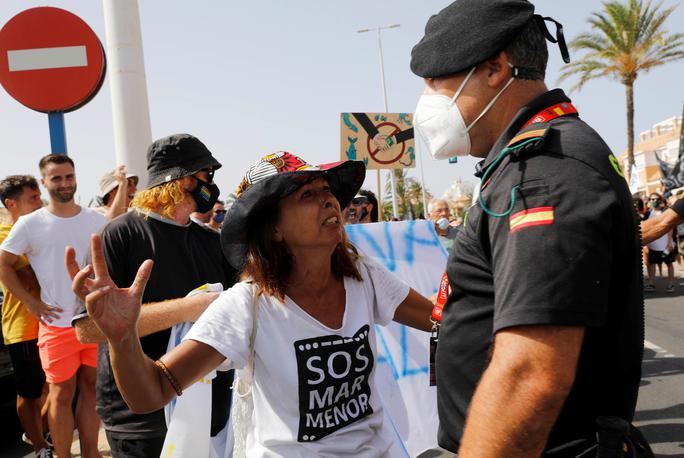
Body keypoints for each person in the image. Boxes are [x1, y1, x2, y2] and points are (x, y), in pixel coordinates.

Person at [71, 152, 434, 457]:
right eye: (306, 194)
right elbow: (152, 392)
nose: (329, 200)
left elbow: (438, 317)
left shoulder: (362, 275)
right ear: (273, 229)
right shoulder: (247, 305)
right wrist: (122, 340)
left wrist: (479, 265)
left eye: (326, 190)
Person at [410, 1, 644, 455]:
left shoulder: (543, 173)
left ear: (496, 68)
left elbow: (532, 376)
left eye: (437, 81)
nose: (427, 99)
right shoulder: (528, 161)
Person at [69, 134, 236, 458]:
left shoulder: (212, 241)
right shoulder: (120, 234)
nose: (212, 186)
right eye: (207, 175)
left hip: (209, 411)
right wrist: (188, 309)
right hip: (139, 417)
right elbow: (87, 329)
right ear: (182, 179)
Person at [0, 154, 106, 458]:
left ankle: (90, 453)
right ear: (45, 182)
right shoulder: (30, 224)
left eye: (69, 176)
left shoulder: (96, 219)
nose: (64, 183)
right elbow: (4, 264)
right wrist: (31, 303)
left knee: (91, 391)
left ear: (75, 177)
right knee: (60, 395)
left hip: (92, 322)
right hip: (56, 326)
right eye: (56, 178)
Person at [0, 175, 52, 457]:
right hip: (22, 327)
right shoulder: (4, 236)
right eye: (32, 198)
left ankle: (35, 432)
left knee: (53, 388)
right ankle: (39, 445)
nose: (39, 202)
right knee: (29, 393)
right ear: (11, 203)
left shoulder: (39, 232)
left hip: (51, 324)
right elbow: (30, 276)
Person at [644, 193, 675, 292]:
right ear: (649, 201)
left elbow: (670, 227)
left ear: (660, 200)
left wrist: (669, 242)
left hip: (665, 245)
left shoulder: (665, 212)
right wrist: (645, 243)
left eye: (656, 199)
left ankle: (671, 284)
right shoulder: (648, 214)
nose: (654, 201)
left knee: (669, 263)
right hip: (653, 245)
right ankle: (651, 283)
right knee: (652, 263)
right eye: (652, 199)